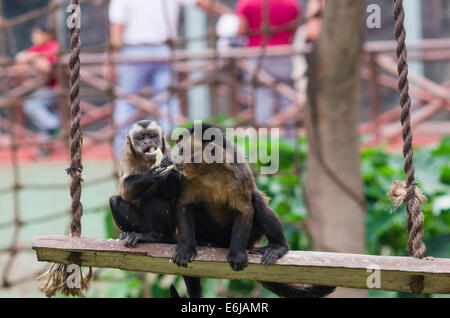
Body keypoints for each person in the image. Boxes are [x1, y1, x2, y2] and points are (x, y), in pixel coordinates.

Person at [108, 0, 230, 157]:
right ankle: (171, 152)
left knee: (129, 102)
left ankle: (124, 154)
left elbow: (116, 28)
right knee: (166, 103)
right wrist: (228, 14)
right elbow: (202, 2)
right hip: (157, 50)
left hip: (138, 51)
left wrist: (114, 57)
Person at [234, 0, 301, 126]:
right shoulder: (291, 2)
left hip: (257, 55)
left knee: (262, 99)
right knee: (287, 99)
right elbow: (294, 29)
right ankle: (290, 138)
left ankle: (264, 140)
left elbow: (240, 29)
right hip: (283, 55)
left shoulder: (248, 2)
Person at [16, 19, 60, 145]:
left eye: (38, 33)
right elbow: (20, 59)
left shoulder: (53, 46)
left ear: (48, 35)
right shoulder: (36, 49)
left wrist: (32, 58)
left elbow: (46, 66)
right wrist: (30, 57)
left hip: (56, 90)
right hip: (42, 91)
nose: (34, 36)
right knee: (36, 110)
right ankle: (46, 146)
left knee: (31, 105)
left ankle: (53, 127)